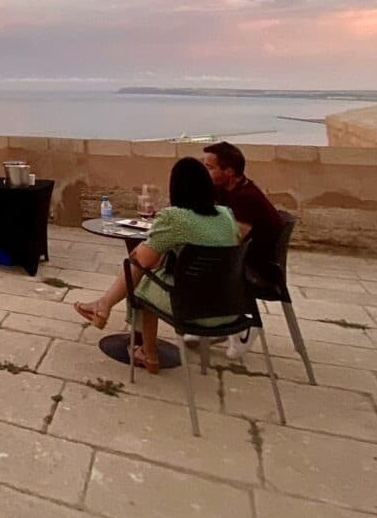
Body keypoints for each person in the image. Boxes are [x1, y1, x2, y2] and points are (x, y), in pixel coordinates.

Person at [73, 157, 240, 373]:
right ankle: (104, 306)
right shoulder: (226, 215)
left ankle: (147, 352)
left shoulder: (176, 218)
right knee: (152, 270)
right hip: (230, 307)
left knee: (142, 287)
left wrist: (145, 251)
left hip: (194, 310)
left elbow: (140, 259)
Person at [202, 141, 285, 360]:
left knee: (195, 267)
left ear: (229, 171)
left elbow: (233, 239)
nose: (205, 172)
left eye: (210, 168)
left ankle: (244, 327)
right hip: (243, 260)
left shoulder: (246, 197)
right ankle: (214, 324)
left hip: (258, 270)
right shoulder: (225, 189)